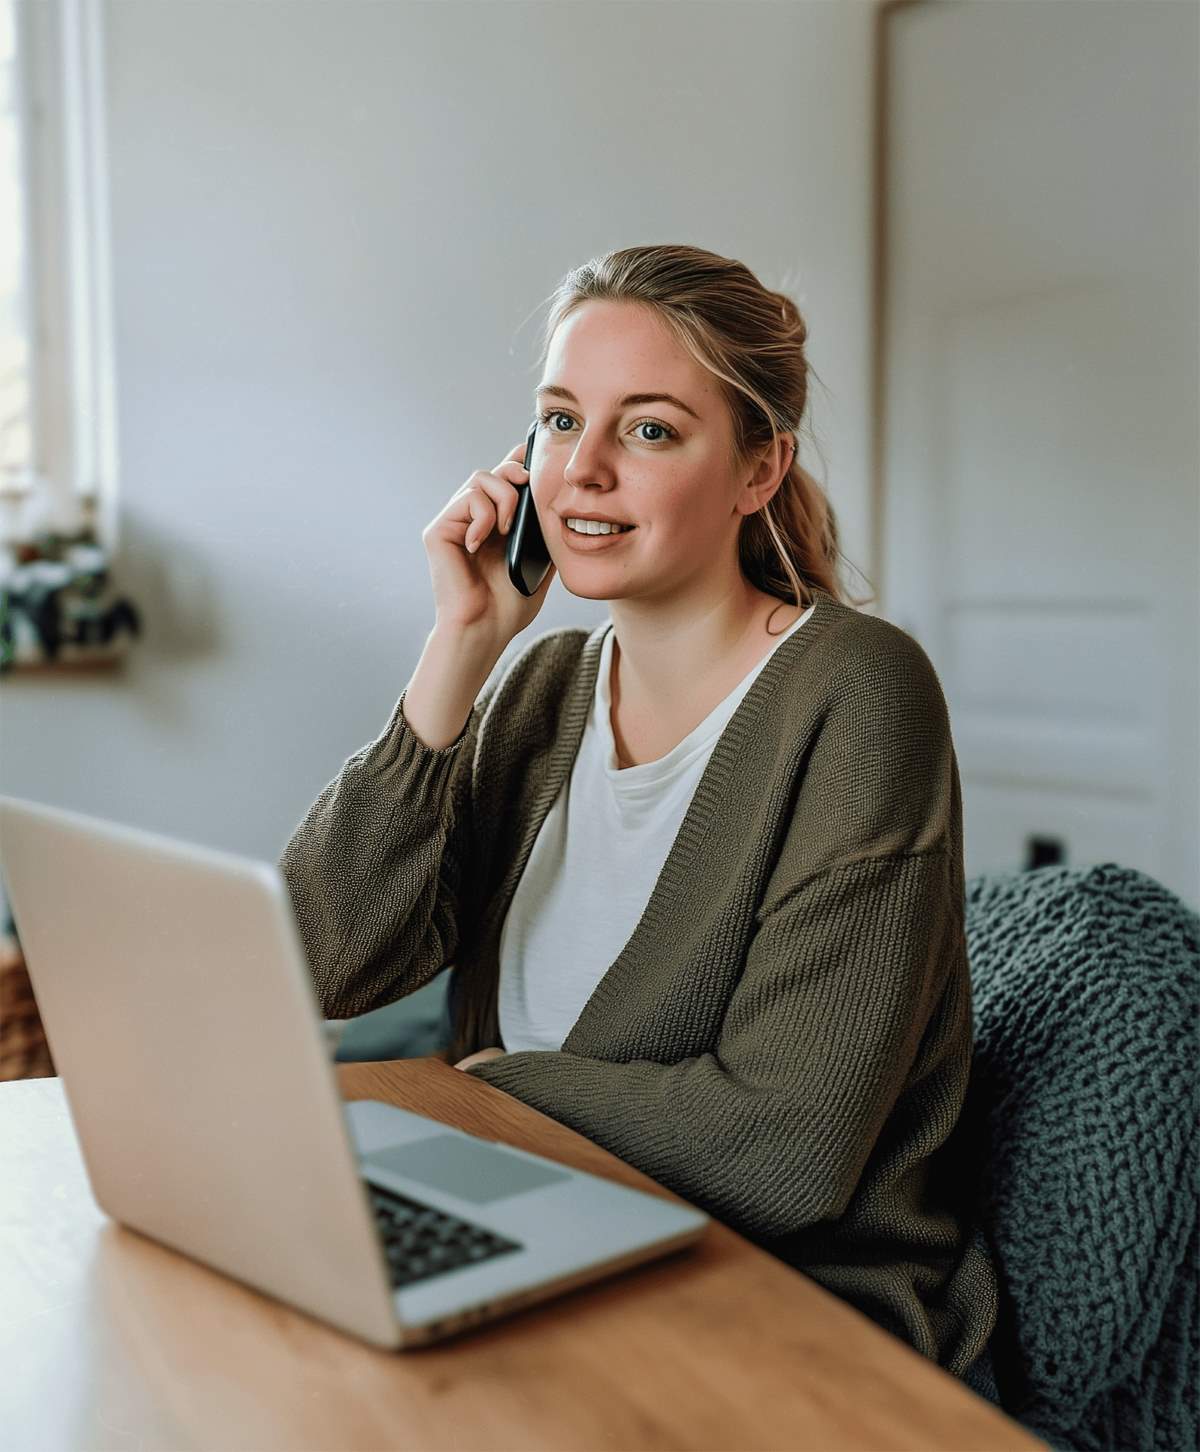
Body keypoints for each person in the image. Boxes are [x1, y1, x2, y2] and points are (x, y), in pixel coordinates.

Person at [278, 243, 1002, 1393]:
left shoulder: (858, 692)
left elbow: (787, 1151)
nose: (584, 474)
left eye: (650, 430)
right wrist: (456, 656)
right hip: (547, 1228)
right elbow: (318, 963)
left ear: (759, 469)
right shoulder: (538, 688)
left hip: (787, 1302)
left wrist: (490, 1084)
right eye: (561, 423)